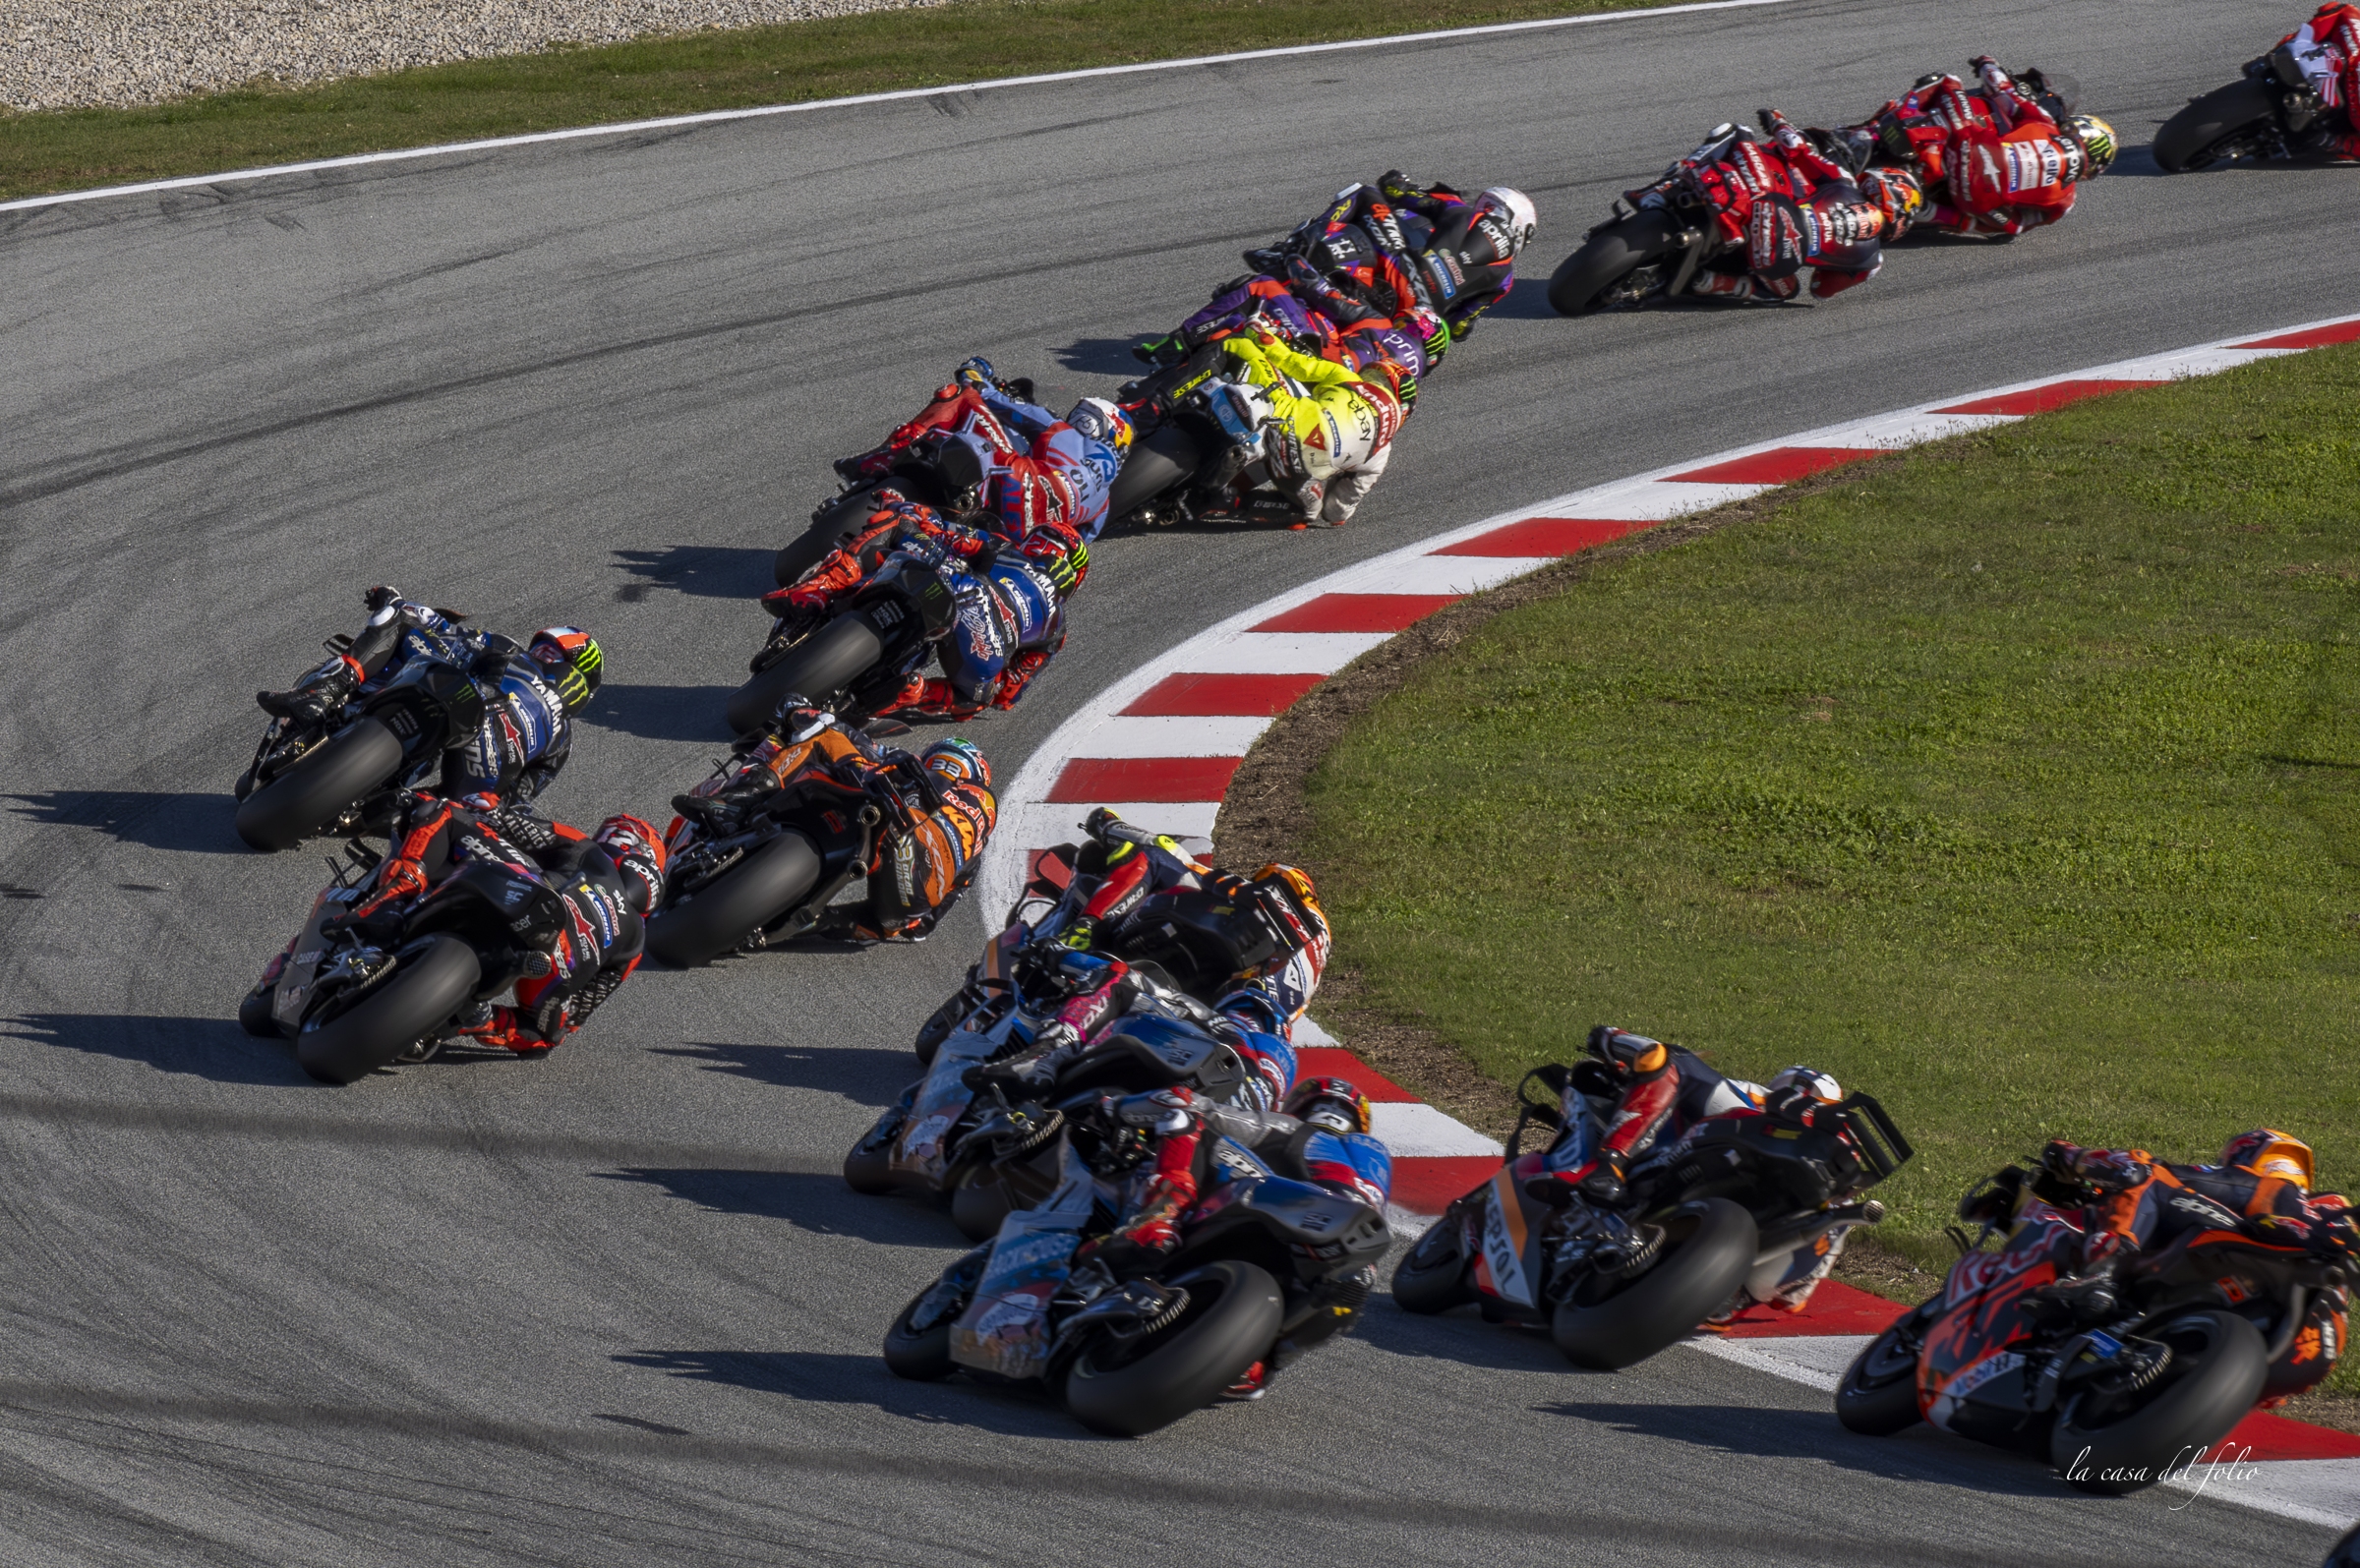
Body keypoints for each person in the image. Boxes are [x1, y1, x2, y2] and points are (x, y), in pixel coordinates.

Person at [250, 796, 665, 1056]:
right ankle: (475, 1018)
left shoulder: (589, 851)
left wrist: (486, 807)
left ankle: (394, 896)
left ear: (619, 842)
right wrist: (516, 1023)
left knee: (441, 812)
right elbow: (572, 1019)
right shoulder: (634, 942)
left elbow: (512, 824)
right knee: (541, 1035)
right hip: (550, 963)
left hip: (529, 896)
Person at [1066, 1073, 1391, 1397]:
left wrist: (1112, 1108)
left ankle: (1159, 1220)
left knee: (1183, 1117)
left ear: (1300, 1108)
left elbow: (1189, 1102)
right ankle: (1260, 1361)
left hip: (1284, 1202)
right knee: (1351, 1290)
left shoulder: (1295, 1130)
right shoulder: (1374, 1167)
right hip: (1348, 1257)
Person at [2016, 1130, 2354, 1403]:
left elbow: (2157, 1173)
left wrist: (2070, 1158)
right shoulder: (2332, 1218)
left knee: (2145, 1172)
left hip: (2251, 1282)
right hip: (2306, 1356)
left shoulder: (2264, 1189)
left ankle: (2099, 1275)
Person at [672, 698, 995, 943]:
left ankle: (738, 801)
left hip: (899, 826)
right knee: (889, 923)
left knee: (823, 734)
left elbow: (861, 745)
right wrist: (880, 922)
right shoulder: (977, 849)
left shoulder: (915, 767)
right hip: (913, 898)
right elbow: (921, 928)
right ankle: (806, 921)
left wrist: (805, 713)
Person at [257, 588, 603, 806]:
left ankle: (325, 692)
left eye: (552, 653)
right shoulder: (562, 741)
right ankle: (395, 801)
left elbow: (441, 629)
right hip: (469, 774)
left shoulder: (512, 652)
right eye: (543, 648)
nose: (543, 656)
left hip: (461, 716)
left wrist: (393, 600)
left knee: (399, 618)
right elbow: (521, 795)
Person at [760, 494, 1082, 720]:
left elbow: (943, 534)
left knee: (896, 523)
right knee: (976, 699)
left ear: (1037, 544)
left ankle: (819, 589)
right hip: (987, 650)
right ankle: (912, 693)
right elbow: (1008, 695)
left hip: (963, 589)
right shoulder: (1057, 627)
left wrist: (904, 507)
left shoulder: (1007, 549)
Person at [835, 360, 1129, 542]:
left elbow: (1005, 406)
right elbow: (1078, 543)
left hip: (1013, 482)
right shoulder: (1103, 505)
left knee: (959, 395)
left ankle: (878, 460)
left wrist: (974, 377)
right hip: (1020, 536)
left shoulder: (1064, 434)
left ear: (1092, 423)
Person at [1847, 59, 2114, 238]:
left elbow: (2003, 89)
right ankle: (1925, 209)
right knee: (1994, 216)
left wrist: (1987, 64)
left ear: (2075, 129)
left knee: (1945, 80)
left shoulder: (2044, 123)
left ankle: (1873, 127)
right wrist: (1976, 215)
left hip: (1968, 145)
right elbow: (2017, 225)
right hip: (1975, 202)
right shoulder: (2065, 202)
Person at [1520, 1025, 1767, 1207]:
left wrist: (1607, 1038)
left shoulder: (1700, 1083)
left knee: (1667, 1060)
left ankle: (1607, 1166)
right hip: (1733, 1192)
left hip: (1761, 1132)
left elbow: (1654, 1055)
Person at [1673, 113, 1886, 303]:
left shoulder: (1845, 182)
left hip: (1765, 203)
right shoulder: (1871, 261)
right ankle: (1711, 282)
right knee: (1787, 290)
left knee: (1735, 132)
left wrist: (1777, 121)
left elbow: (1797, 148)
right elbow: (1820, 290)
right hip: (1773, 255)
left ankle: (1675, 179)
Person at [1219, 327, 1405, 526]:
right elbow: (1335, 512)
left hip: (1279, 419)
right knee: (1307, 513)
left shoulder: (1349, 377)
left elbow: (1288, 359)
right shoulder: (1381, 452)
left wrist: (1256, 331)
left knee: (1242, 346)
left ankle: (1209, 357)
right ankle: (1228, 501)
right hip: (1300, 466)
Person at [2282, 4, 2360, 160]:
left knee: (2342, 11)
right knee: (2341, 11)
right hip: (2348, 63)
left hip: (2350, 101)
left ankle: (2329, 140)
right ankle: (2279, 54)